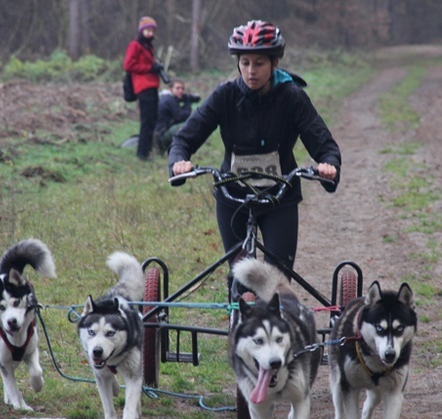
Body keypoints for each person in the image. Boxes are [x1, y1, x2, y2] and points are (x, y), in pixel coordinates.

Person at [168, 20, 340, 274]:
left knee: (276, 282)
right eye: (245, 62)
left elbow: (324, 144)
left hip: (280, 198)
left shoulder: (292, 97)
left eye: (259, 63)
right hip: (232, 197)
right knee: (242, 278)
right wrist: (178, 161)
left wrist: (329, 166)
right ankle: (238, 309)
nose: (251, 71)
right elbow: (184, 138)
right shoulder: (225, 95)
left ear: (274, 63)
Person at [123, 16, 167, 161]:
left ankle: (146, 151)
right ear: (141, 31)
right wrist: (150, 68)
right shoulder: (135, 45)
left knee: (152, 120)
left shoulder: (148, 46)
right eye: (147, 30)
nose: (150, 33)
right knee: (147, 121)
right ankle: (142, 154)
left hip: (151, 86)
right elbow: (128, 65)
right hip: (143, 87)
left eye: (152, 31)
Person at [154, 79, 201, 154]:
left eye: (182, 88)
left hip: (158, 134)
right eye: (177, 88)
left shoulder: (164, 97)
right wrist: (187, 102)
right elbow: (182, 116)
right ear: (170, 89)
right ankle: (177, 150)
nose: (181, 91)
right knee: (190, 125)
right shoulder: (169, 99)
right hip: (161, 136)